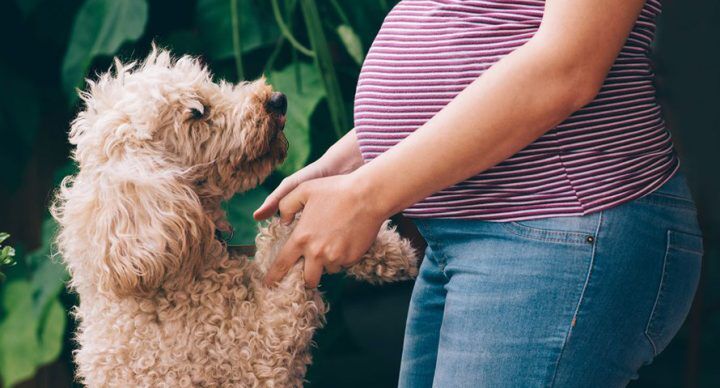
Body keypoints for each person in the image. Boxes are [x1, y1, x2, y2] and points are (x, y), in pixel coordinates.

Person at [254, 0, 704, 386]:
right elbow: (493, 29)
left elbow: (570, 65)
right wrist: (356, 156)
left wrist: (366, 196)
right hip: (480, 236)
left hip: (560, 222)